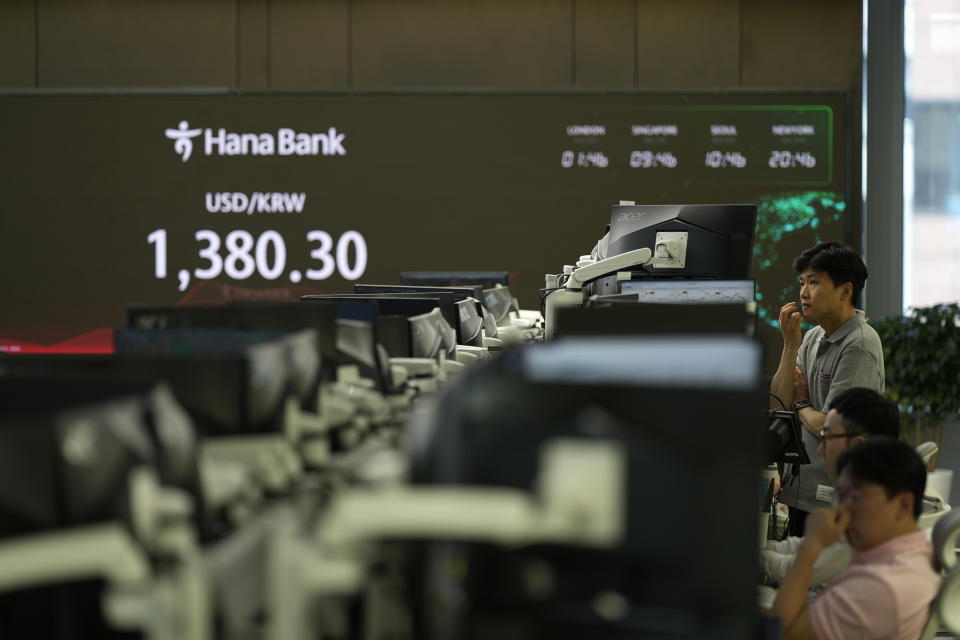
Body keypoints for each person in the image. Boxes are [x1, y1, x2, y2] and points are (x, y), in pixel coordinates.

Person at [770, 242, 884, 535]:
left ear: (845, 291)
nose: (803, 293)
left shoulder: (860, 344)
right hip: (800, 491)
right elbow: (778, 406)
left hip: (833, 498)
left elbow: (831, 430)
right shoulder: (812, 337)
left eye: (814, 282)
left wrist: (803, 404)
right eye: (803, 283)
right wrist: (790, 344)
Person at [773, 439, 940, 639]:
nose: (841, 511)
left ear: (904, 505)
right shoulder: (909, 551)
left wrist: (812, 546)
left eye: (854, 497)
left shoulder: (881, 586)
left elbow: (782, 633)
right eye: (840, 496)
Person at [761, 387, 900, 587]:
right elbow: (812, 546)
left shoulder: (870, 514)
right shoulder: (854, 495)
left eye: (827, 438)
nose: (820, 450)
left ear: (857, 444)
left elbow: (803, 570)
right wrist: (766, 553)